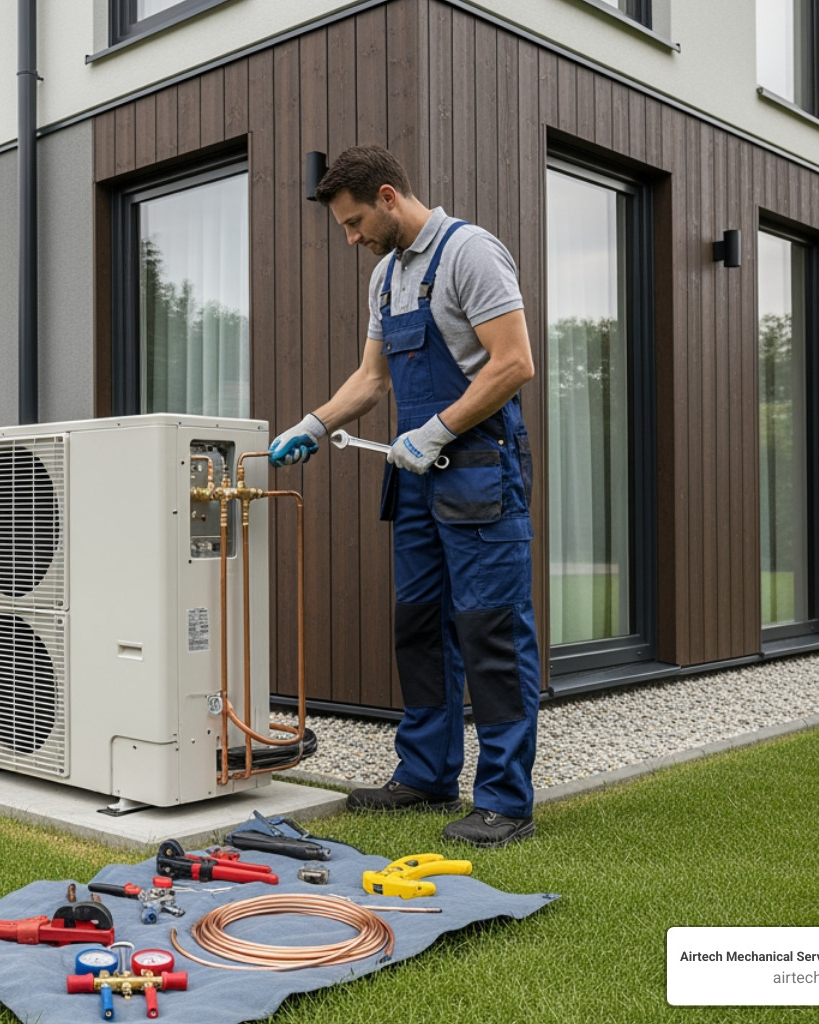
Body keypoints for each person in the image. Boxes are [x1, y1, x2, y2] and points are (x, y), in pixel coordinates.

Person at [268, 145, 541, 848]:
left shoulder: (470, 253)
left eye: (354, 222)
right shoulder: (386, 277)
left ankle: (505, 800)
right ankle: (426, 773)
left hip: (479, 471)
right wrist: (314, 423)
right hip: (418, 480)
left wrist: (438, 429)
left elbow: (514, 362)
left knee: (491, 632)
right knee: (418, 626)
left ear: (388, 197)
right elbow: (372, 379)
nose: (350, 238)